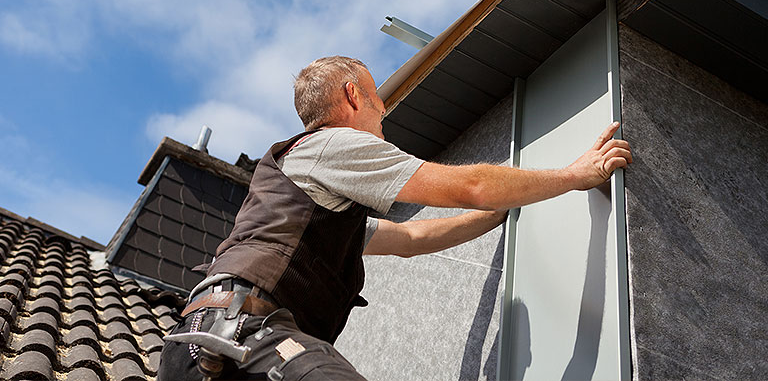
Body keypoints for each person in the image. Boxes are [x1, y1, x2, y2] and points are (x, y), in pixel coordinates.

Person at [159, 56, 632, 380]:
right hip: (239, 336)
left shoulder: (316, 208)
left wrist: (504, 211)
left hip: (203, 349)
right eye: (377, 99)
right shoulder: (330, 146)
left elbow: (411, 236)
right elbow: (470, 186)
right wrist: (573, 175)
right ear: (352, 95)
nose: (383, 113)